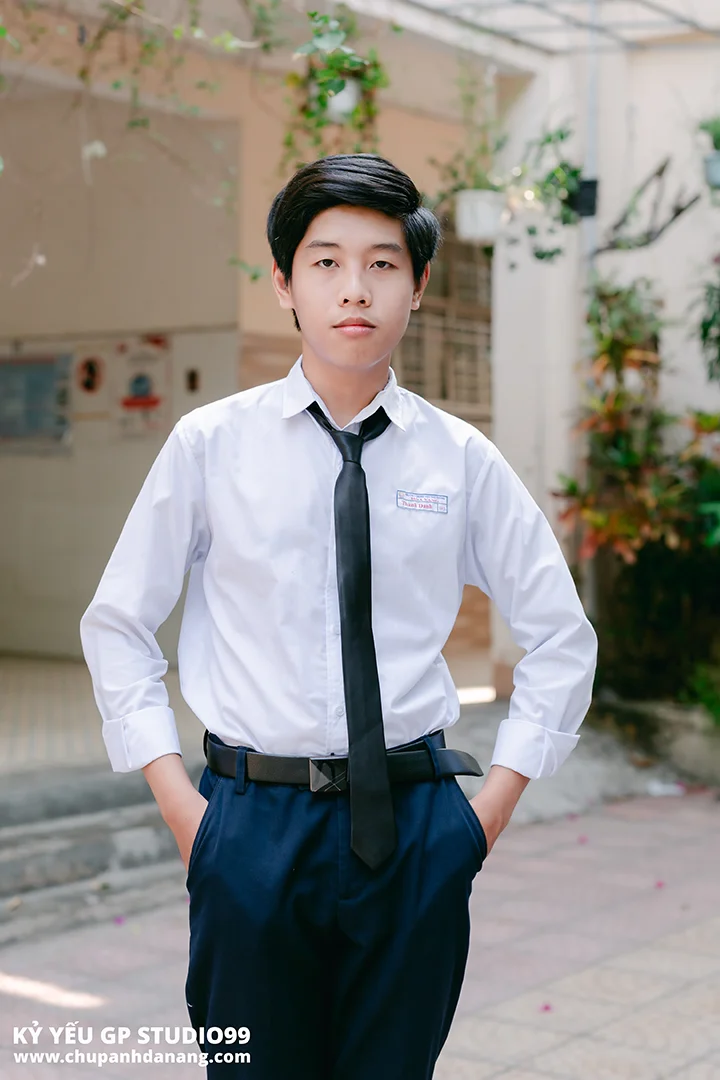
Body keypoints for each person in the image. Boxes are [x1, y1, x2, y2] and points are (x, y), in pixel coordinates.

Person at [80, 153, 598, 1078]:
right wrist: (187, 814)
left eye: (382, 263)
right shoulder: (212, 445)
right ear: (284, 282)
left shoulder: (458, 459)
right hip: (249, 829)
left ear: (417, 285)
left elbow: (562, 635)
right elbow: (118, 624)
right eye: (325, 262)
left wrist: (484, 816)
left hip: (415, 828)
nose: (354, 288)